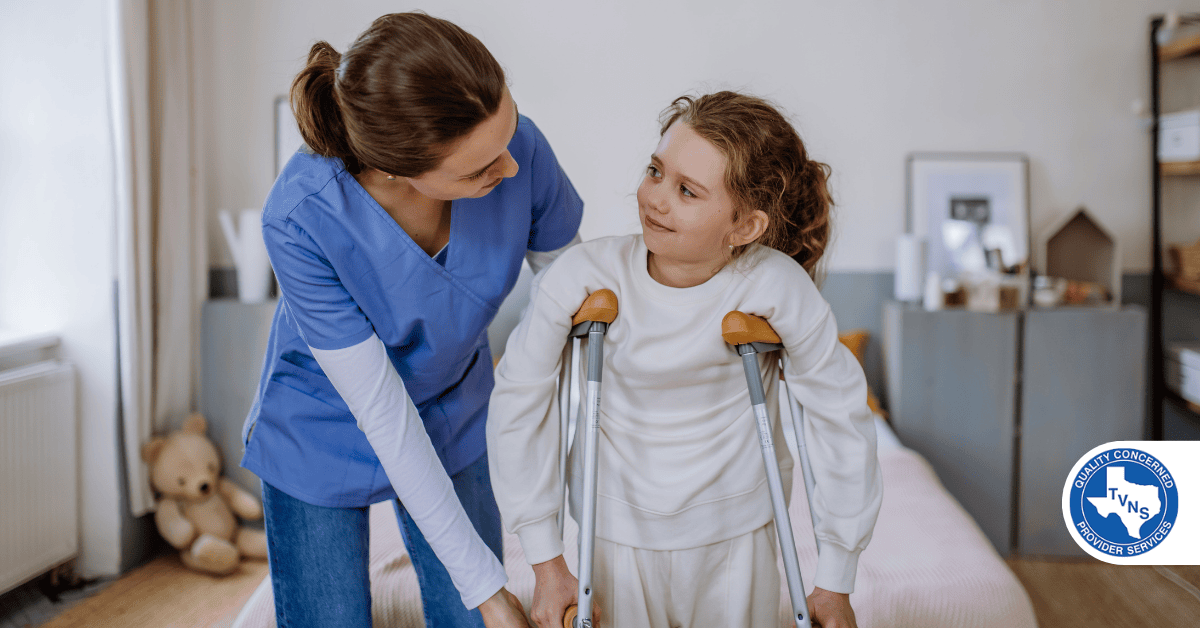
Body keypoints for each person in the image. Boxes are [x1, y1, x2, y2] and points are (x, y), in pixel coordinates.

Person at [487, 91, 883, 628]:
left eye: (687, 191)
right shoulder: (583, 274)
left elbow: (840, 417)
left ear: (744, 227)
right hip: (615, 532)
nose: (656, 198)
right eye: (655, 171)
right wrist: (544, 556)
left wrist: (836, 577)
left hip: (738, 534)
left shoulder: (776, 286)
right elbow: (519, 398)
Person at [239, 12, 583, 628]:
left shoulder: (517, 150)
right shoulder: (300, 217)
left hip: (454, 404)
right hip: (323, 423)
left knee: (476, 620)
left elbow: (574, 299)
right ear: (398, 171)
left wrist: (548, 559)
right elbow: (382, 410)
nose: (509, 170)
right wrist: (484, 585)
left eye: (506, 139)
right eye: (478, 170)